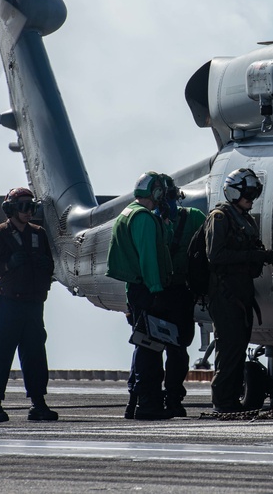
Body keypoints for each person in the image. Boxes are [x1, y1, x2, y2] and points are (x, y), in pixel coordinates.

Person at [0, 187, 58, 423]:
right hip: (7, 305)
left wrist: (45, 266)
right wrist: (6, 265)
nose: (28, 211)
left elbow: (51, 265)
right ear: (11, 209)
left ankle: (38, 404)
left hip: (33, 306)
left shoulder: (39, 234)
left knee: (35, 356)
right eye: (23, 207)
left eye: (31, 207)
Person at [204, 168, 273, 413]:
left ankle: (231, 400)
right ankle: (223, 402)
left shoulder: (243, 218)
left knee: (237, 347)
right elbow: (216, 256)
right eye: (248, 193)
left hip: (240, 292)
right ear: (235, 192)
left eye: (254, 193)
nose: (252, 198)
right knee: (229, 349)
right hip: (225, 294)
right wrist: (253, 255)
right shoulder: (221, 218)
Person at [106, 171, 175, 421]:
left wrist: (165, 222)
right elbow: (149, 258)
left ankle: (135, 402)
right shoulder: (143, 218)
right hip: (147, 290)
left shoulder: (129, 213)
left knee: (142, 345)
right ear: (155, 192)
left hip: (135, 290)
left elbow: (159, 243)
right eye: (161, 192)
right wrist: (156, 290)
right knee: (151, 349)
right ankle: (148, 404)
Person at [157, 174, 206, 418]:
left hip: (159, 294)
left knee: (153, 348)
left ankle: (147, 398)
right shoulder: (195, 218)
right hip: (178, 295)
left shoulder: (148, 220)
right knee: (176, 350)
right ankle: (171, 397)